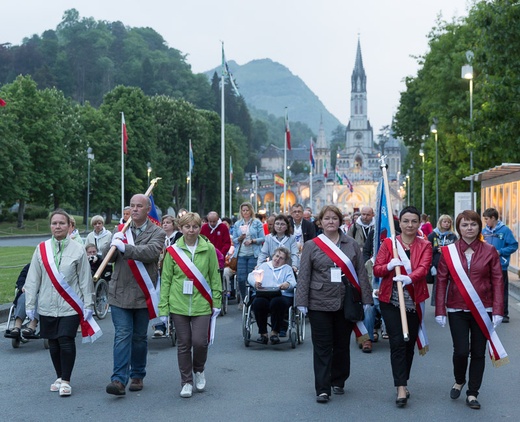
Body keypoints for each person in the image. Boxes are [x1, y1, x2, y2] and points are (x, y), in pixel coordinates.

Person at [296, 205, 373, 403]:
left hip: (344, 301)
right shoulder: (312, 245)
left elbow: (361, 273)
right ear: (320, 222)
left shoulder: (351, 244)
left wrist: (366, 299)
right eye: (327, 218)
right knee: (322, 346)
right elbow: (304, 274)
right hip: (318, 302)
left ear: (340, 221)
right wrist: (301, 301)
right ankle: (322, 388)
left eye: (334, 218)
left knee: (341, 345)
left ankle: (338, 379)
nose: (331, 221)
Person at [435, 210, 505, 410]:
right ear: (458, 228)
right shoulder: (448, 251)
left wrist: (498, 310)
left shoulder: (489, 250)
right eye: (464, 225)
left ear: (478, 226)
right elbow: (441, 281)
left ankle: (473, 393)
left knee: (478, 353)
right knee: (461, 351)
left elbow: (498, 281)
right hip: (457, 308)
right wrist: (440, 309)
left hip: (484, 308)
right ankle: (459, 380)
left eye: (473, 224)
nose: (469, 228)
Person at [24, 209, 97, 397]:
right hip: (47, 304)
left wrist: (88, 304)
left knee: (65, 340)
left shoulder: (78, 249)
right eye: (54, 223)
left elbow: (85, 280)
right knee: (53, 342)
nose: (58, 226)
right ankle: (58, 376)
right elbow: (33, 279)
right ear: (51, 225)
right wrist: (30, 306)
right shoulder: (41, 249)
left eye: (61, 223)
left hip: (69, 306)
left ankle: (66, 380)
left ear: (69, 226)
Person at [105, 194, 165, 396]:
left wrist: (126, 248)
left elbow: (151, 253)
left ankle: (137, 374)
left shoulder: (157, 232)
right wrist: (112, 243)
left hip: (142, 294)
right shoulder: (121, 230)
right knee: (122, 335)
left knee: (139, 337)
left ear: (148, 209)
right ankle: (118, 380)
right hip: (119, 293)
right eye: (132, 206)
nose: (135, 209)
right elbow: (108, 256)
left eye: (140, 206)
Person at [373, 206, 432, 408]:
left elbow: (424, 269)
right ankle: (400, 387)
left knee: (408, 345)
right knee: (397, 342)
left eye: (414, 221)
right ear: (399, 223)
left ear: (419, 223)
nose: (409, 225)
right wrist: (389, 266)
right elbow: (377, 269)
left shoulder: (425, 245)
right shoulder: (389, 244)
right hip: (390, 300)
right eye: (405, 221)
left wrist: (409, 277)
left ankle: (403, 380)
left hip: (414, 300)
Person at [159, 212, 222, 398]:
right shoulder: (172, 251)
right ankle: (186, 381)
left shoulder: (208, 249)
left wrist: (217, 301)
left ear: (199, 227)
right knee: (184, 343)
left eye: (194, 226)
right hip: (178, 303)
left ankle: (199, 370)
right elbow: (166, 281)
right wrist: (164, 308)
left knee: (200, 342)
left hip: (202, 302)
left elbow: (214, 277)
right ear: (181, 228)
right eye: (187, 227)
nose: (191, 230)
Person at [248, 247, 296, 344]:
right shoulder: (264, 266)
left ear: (285, 261)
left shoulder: (287, 269)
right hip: (264, 293)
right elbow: (251, 276)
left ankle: (275, 333)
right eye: (276, 256)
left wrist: (287, 284)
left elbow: (293, 282)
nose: (277, 259)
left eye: (281, 258)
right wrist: (255, 283)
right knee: (258, 302)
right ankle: (263, 333)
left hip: (281, 294)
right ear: (273, 256)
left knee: (277, 302)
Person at [347, 206, 376, 352]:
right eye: (363, 214)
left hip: (375, 258)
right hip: (359, 258)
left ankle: (376, 329)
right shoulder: (354, 226)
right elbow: (348, 242)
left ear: (373, 215)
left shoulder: (377, 227)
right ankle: (366, 338)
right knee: (366, 304)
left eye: (367, 214)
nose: (364, 217)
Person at [482, 207, 518, 323]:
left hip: (500, 265)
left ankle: (503, 313)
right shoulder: (484, 231)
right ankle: (490, 311)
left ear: (493, 218)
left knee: (501, 289)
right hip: (486, 265)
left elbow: (513, 245)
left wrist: (500, 252)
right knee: (487, 289)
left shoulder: (505, 230)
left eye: (487, 219)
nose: (485, 221)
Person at [232, 202, 265, 308]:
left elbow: (263, 238)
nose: (245, 212)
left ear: (251, 211)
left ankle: (252, 299)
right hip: (241, 253)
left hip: (253, 254)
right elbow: (234, 239)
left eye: (247, 210)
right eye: (243, 210)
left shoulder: (257, 223)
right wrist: (240, 238)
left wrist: (253, 240)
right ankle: (244, 298)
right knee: (241, 278)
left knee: (252, 278)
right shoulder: (238, 224)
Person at [427, 215, 458, 305]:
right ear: (440, 223)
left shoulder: (452, 236)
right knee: (438, 285)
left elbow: (457, 248)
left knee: (449, 285)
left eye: (448, 222)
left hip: (449, 264)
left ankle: (448, 303)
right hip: (437, 264)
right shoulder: (433, 235)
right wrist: (436, 248)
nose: (446, 224)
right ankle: (437, 304)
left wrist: (446, 250)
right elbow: (427, 249)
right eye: (444, 222)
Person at [5, 263, 40, 338]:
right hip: (27, 291)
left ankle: (32, 326)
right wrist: (22, 287)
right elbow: (21, 279)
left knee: (38, 298)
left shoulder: (49, 268)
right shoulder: (30, 266)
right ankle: (17, 327)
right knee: (23, 296)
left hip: (42, 293)